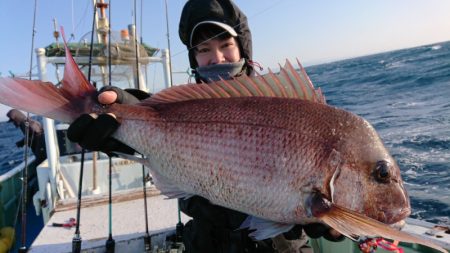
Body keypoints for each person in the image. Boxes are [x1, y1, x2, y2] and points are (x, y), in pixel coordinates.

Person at [67, 0, 343, 252]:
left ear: (243, 48)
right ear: (193, 58)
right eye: (204, 49)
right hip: (208, 242)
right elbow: (159, 114)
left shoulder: (282, 104)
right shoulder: (184, 106)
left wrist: (336, 220)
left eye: (226, 45)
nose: (217, 58)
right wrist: (125, 113)